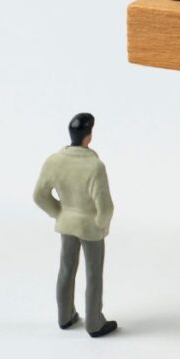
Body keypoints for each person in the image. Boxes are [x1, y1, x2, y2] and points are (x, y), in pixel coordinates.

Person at [33, 114, 117, 337]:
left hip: (67, 223)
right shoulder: (94, 166)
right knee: (93, 274)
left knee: (66, 269)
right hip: (90, 228)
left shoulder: (54, 160)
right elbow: (105, 207)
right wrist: (101, 224)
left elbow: (39, 195)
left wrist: (59, 212)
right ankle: (94, 323)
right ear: (88, 137)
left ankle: (65, 316)